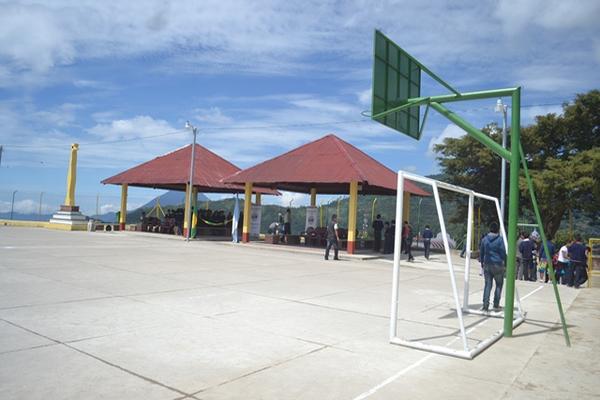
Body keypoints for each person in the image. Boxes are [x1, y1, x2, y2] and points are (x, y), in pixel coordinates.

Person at [479, 222, 506, 312]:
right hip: (497, 264)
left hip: (487, 264)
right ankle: (496, 304)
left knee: (487, 285)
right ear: (497, 229)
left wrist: (482, 262)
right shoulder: (500, 240)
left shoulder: (484, 239)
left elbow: (481, 252)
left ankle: (485, 306)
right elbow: (503, 252)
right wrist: (504, 262)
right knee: (498, 285)